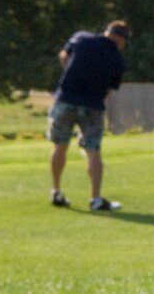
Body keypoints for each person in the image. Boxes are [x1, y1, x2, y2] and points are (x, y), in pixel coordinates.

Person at [47, 20, 130, 211]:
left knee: (60, 146)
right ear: (121, 39)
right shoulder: (117, 60)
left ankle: (57, 192)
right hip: (92, 106)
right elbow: (109, 89)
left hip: (65, 99)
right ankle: (96, 199)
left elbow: (63, 56)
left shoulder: (81, 38)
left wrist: (72, 75)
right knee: (93, 150)